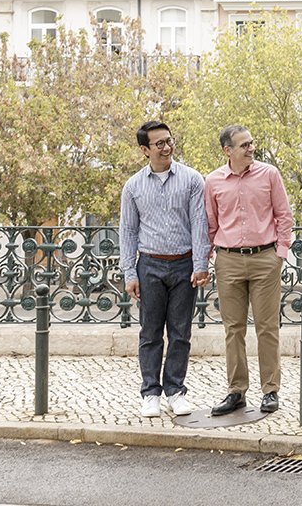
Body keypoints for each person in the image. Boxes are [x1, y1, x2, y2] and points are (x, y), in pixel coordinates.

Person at [119, 120, 210, 419]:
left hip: (184, 264)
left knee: (181, 332)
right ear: (145, 150)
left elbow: (199, 224)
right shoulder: (133, 186)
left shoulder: (193, 180)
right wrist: (129, 273)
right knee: (150, 333)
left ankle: (176, 391)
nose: (167, 147)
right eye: (159, 144)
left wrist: (200, 265)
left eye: (169, 141)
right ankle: (150, 393)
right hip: (150, 265)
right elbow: (128, 231)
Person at [205, 124, 294, 415]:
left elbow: (284, 216)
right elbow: (210, 225)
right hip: (227, 260)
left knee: (267, 328)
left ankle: (270, 390)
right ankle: (236, 391)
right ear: (227, 150)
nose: (251, 148)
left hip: (264, 259)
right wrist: (206, 261)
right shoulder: (213, 181)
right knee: (233, 329)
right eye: (244, 145)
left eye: (252, 143)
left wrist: (279, 254)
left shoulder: (269, 174)